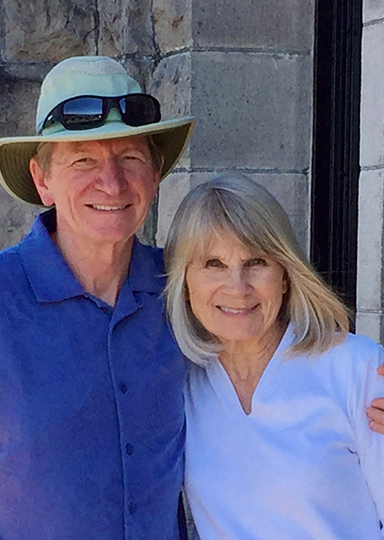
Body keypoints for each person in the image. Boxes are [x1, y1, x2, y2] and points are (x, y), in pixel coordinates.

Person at [0, 55, 194, 539]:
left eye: (130, 158)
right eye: (84, 160)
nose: (112, 182)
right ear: (42, 180)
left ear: (155, 173)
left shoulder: (186, 291)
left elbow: (268, 380)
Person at [164, 173, 384, 539]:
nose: (237, 287)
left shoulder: (356, 369)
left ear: (285, 275)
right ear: (184, 282)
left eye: (256, 262)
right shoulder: (178, 384)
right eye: (214, 264)